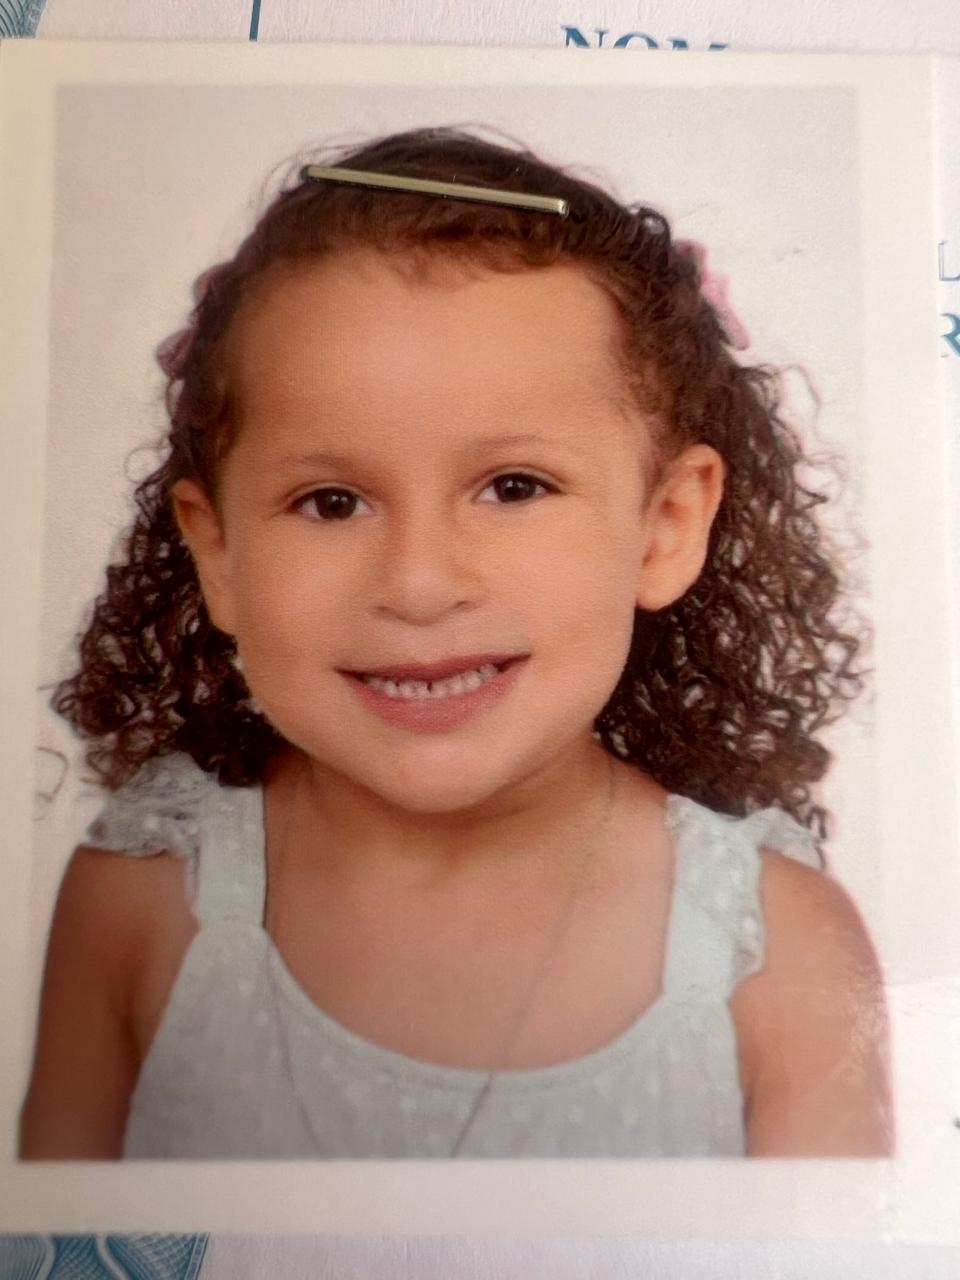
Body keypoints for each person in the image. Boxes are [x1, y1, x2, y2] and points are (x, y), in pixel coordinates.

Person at [19, 128, 891, 1159]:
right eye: (331, 501)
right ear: (218, 553)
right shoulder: (143, 907)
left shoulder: (775, 949)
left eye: (514, 487)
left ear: (665, 525)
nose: (419, 583)